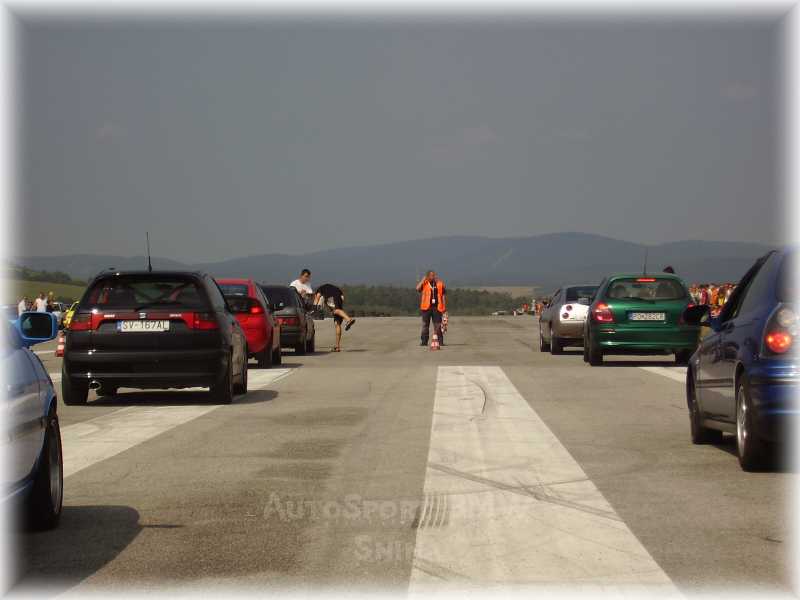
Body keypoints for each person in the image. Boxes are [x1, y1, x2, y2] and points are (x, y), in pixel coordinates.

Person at [313, 283, 356, 352]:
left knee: (335, 310)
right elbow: (342, 298)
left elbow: (317, 298)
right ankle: (337, 346)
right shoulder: (332, 288)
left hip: (332, 297)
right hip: (339, 298)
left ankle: (348, 319)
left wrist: (313, 309)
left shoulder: (319, 290)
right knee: (337, 323)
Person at [417, 270, 446, 347]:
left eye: (433, 275)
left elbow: (443, 295)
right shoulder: (424, 283)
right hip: (426, 308)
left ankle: (440, 342)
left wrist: (444, 306)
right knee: (425, 325)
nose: (433, 277)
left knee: (438, 325)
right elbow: (417, 288)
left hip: (437, 307)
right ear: (427, 276)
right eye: (431, 275)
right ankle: (424, 342)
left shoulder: (440, 283)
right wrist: (423, 280)